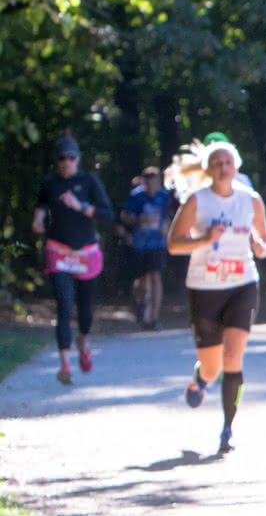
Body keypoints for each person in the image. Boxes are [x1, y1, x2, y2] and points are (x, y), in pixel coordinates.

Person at [166, 139, 266, 454]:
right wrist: (202, 238)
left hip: (242, 285)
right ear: (208, 170)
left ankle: (228, 428)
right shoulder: (197, 202)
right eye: (217, 163)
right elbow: (173, 245)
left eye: (228, 162)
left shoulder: (251, 201)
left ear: (236, 167)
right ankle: (201, 379)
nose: (223, 168)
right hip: (205, 288)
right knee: (212, 367)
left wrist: (260, 247)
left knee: (233, 358)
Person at [32, 135, 114, 385]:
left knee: (86, 312)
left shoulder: (88, 180)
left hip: (86, 253)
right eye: (62, 158)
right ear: (57, 161)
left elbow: (107, 214)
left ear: (77, 158)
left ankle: (84, 341)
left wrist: (81, 206)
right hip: (59, 252)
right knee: (64, 308)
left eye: (70, 158)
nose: (66, 162)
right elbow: (41, 205)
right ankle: (65, 363)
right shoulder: (50, 182)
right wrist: (37, 220)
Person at [120, 166, 174, 329]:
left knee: (156, 276)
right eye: (148, 179)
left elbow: (171, 217)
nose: (151, 183)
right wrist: (139, 220)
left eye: (154, 179)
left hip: (157, 243)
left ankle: (154, 317)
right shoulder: (136, 197)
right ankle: (142, 308)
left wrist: (167, 226)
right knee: (143, 280)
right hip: (140, 244)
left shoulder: (165, 197)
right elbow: (125, 217)